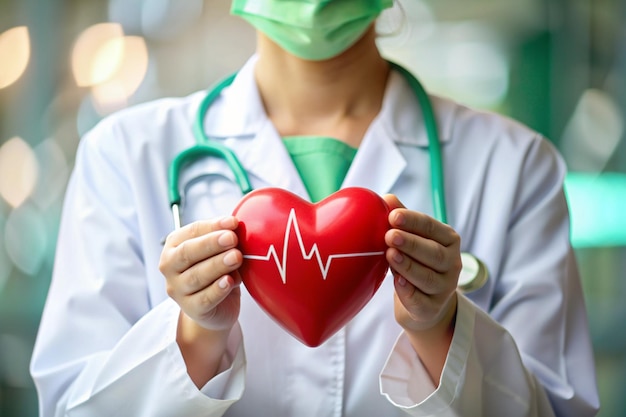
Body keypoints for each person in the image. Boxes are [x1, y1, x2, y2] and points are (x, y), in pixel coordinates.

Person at [30, 0, 600, 416]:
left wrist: (441, 331)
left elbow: (556, 408)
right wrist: (195, 337)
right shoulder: (125, 155)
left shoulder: (518, 165)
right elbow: (71, 404)